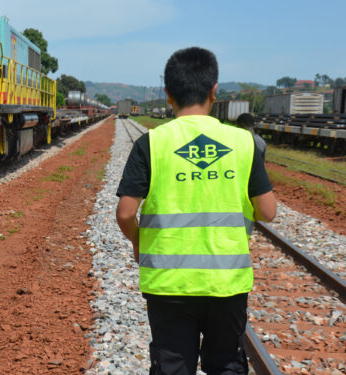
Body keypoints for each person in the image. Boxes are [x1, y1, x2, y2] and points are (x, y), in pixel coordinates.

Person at [115, 47, 277, 375]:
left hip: (168, 284)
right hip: (227, 284)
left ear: (168, 94)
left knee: (172, 366)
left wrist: (138, 241)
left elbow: (125, 213)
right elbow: (268, 211)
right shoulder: (243, 142)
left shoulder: (152, 143)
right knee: (227, 365)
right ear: (214, 90)